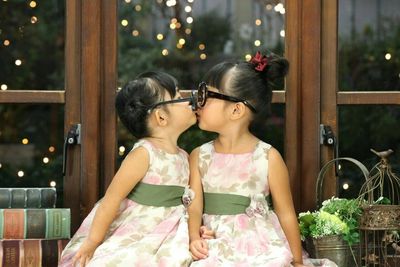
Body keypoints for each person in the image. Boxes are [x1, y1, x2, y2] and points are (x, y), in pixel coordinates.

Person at [187, 52, 337, 266]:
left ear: (236, 110)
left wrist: (297, 261)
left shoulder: (268, 157)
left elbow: (286, 213)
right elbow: (194, 206)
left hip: (261, 244)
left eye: (207, 96)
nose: (198, 103)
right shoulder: (199, 156)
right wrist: (194, 238)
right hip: (217, 243)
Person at [59, 71, 198, 267]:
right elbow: (111, 200)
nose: (187, 102)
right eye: (177, 97)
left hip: (171, 230)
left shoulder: (184, 156)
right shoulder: (144, 153)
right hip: (139, 227)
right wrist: (92, 242)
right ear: (161, 117)